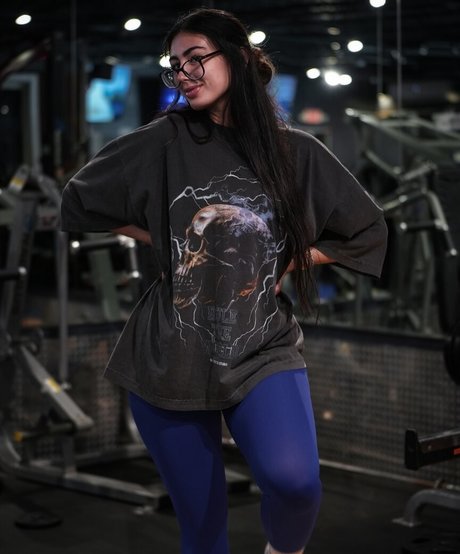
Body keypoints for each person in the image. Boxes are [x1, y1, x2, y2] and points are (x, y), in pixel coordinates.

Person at [60, 8, 387, 554]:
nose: (183, 74)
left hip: (261, 348)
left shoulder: (297, 152)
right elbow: (79, 200)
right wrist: (164, 237)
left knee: (296, 485)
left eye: (195, 59)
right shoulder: (163, 140)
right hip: (169, 354)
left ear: (236, 56)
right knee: (203, 530)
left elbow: (366, 230)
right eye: (174, 65)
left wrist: (284, 260)